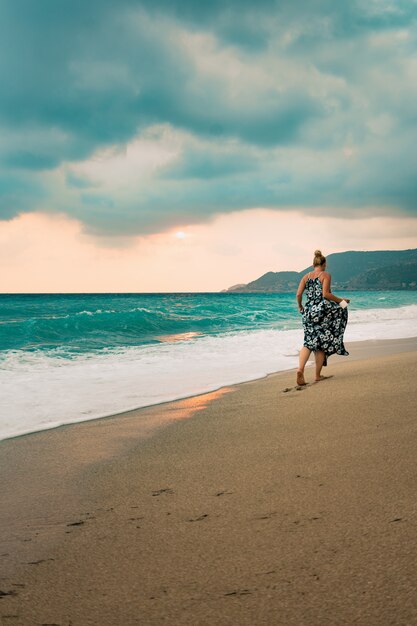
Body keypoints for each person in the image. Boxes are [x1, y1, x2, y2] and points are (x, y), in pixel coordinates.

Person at [296, 250, 350, 386]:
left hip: (308, 312)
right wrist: (342, 301)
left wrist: (300, 306)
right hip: (321, 312)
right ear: (324, 264)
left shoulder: (305, 276)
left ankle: (300, 369)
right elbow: (326, 294)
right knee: (321, 342)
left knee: (308, 342)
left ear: (313, 264)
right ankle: (317, 376)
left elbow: (298, 294)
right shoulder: (325, 275)